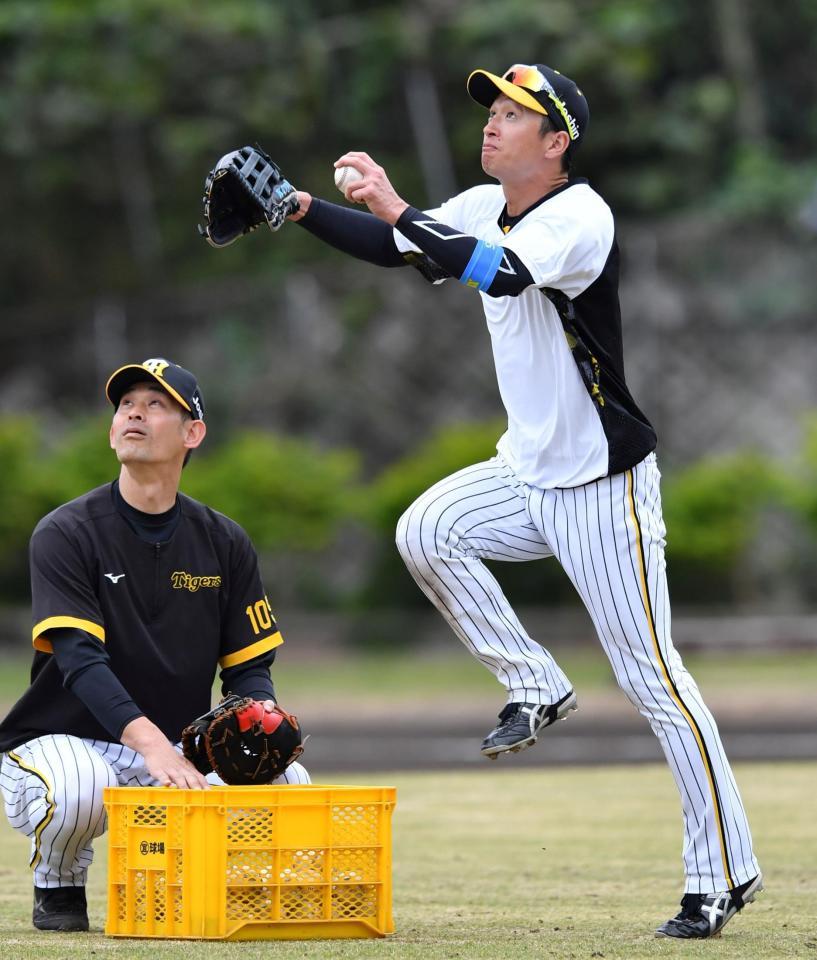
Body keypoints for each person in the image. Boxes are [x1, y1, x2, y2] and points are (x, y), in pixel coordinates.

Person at [286, 63, 761, 938]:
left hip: (600, 483)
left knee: (654, 683)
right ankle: (534, 682)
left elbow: (496, 275)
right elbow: (400, 247)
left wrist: (396, 206)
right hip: (525, 473)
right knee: (427, 529)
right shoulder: (477, 202)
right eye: (494, 111)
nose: (495, 125)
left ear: (557, 141)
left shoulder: (581, 216)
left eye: (517, 116)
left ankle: (720, 874)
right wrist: (302, 207)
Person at [0, 358, 309, 933]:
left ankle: (227, 883)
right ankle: (58, 880)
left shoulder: (224, 540)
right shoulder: (67, 532)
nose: (135, 411)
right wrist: (152, 748)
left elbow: (249, 666)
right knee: (76, 789)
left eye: (157, 403)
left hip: (176, 747)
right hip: (66, 743)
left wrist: (256, 721)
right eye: (125, 404)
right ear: (113, 428)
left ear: (192, 433)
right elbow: (79, 661)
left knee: (288, 778)